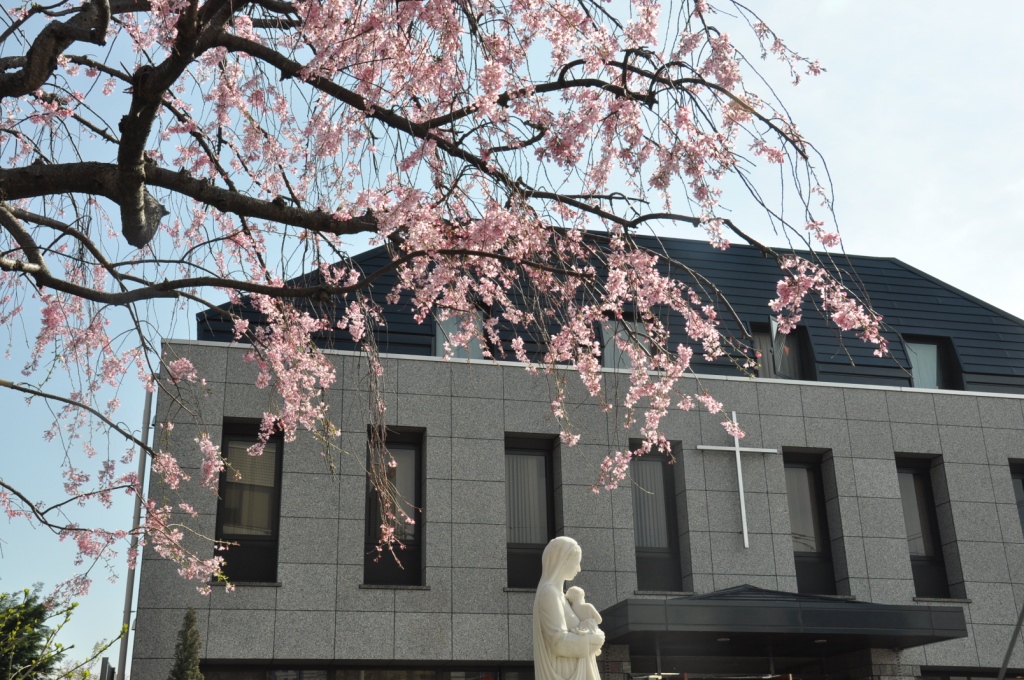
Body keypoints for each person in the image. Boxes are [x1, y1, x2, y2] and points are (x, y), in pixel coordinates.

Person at [532, 537, 605, 680]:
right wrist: (593, 638)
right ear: (562, 561)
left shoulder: (562, 596)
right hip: (565, 673)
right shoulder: (549, 594)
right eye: (576, 563)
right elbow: (559, 642)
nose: (579, 569)